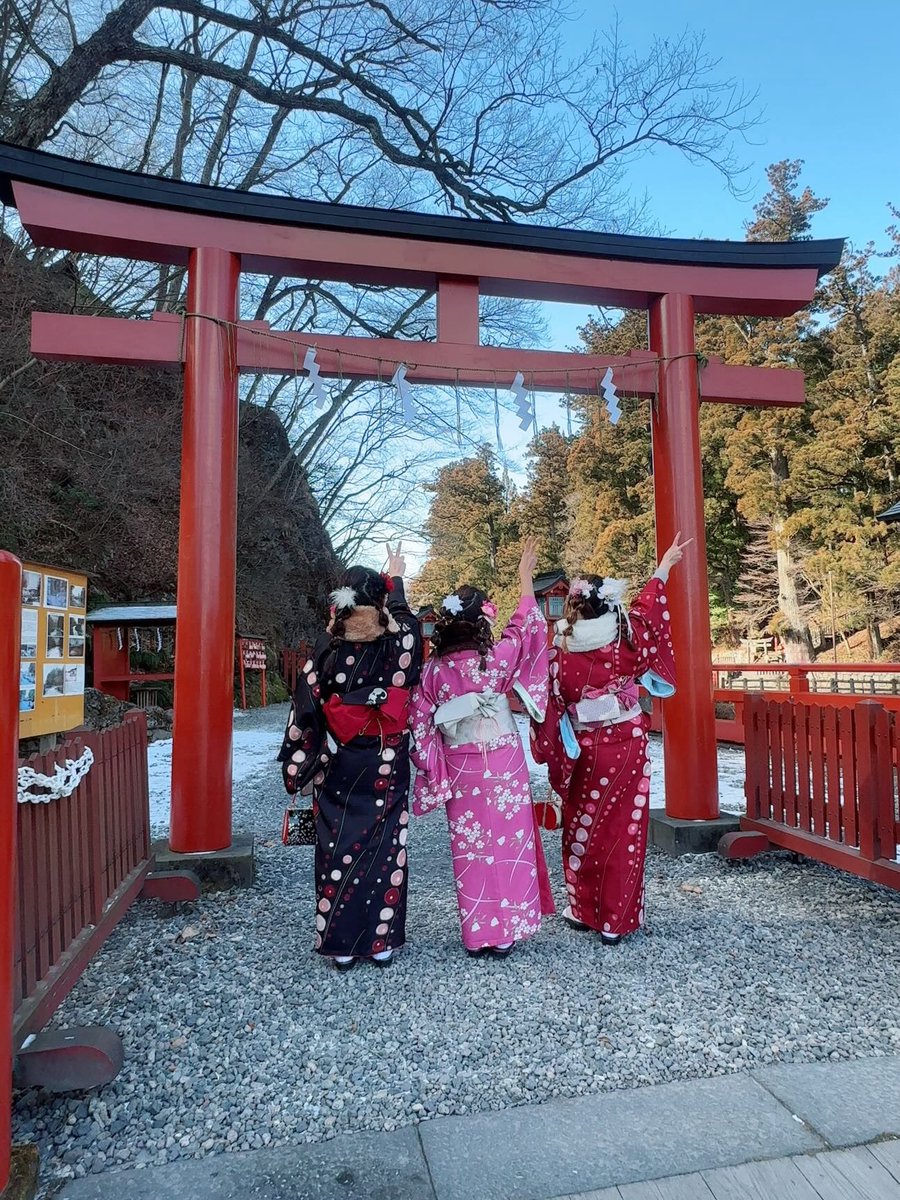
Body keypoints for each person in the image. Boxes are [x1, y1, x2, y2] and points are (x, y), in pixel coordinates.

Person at [529, 534, 688, 943]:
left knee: (584, 826)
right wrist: (664, 566)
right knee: (623, 830)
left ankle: (583, 909)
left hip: (585, 749)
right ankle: (615, 921)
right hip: (628, 743)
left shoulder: (560, 649)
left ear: (574, 606)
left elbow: (550, 703)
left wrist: (550, 747)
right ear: (609, 603)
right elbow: (648, 610)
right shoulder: (627, 638)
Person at [278, 544, 422, 971]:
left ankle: (340, 942)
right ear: (381, 600)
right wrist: (396, 584)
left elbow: (306, 705)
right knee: (384, 846)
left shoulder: (326, 648)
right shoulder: (396, 643)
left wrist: (303, 759)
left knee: (337, 843)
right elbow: (410, 629)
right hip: (383, 757)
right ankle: (380, 942)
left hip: (338, 759)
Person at [409, 538, 555, 958]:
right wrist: (525, 582)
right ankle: (507, 931)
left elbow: (419, 722)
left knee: (471, 846)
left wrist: (430, 765)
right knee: (509, 841)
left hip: (461, 765)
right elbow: (524, 628)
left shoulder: (432, 671)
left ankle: (478, 933)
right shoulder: (498, 659)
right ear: (480, 624)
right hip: (504, 761)